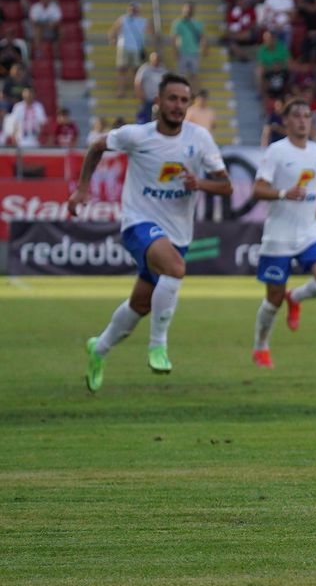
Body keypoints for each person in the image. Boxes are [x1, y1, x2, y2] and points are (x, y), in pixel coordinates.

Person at [68, 74, 230, 391]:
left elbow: (225, 185)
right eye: (172, 99)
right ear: (158, 102)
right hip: (138, 223)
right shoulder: (136, 135)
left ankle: (98, 350)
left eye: (184, 100)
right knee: (176, 268)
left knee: (140, 305)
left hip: (178, 233)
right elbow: (97, 146)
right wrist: (82, 190)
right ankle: (158, 345)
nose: (178, 106)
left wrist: (201, 184)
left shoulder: (200, 138)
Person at [249, 99, 316, 369]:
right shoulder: (276, 152)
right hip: (279, 235)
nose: (302, 120)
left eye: (307, 116)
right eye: (296, 116)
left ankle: (295, 297)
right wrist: (285, 193)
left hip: (309, 231)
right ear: (286, 121)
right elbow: (258, 189)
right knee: (272, 299)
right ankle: (261, 346)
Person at [109, 2, 152, 100]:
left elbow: (151, 31)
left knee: (136, 72)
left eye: (134, 9)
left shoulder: (143, 21)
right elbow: (113, 30)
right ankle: (121, 90)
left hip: (137, 48)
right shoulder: (123, 19)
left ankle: (136, 91)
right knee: (122, 70)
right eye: (130, 9)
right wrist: (112, 39)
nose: (132, 11)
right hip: (124, 47)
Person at [170, 2, 206, 83]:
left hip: (195, 52)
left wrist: (204, 48)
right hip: (182, 52)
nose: (188, 11)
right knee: (180, 76)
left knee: (194, 76)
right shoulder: (178, 23)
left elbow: (202, 37)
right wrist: (174, 51)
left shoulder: (198, 23)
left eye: (190, 9)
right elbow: (174, 38)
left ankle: (192, 94)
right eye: (186, 8)